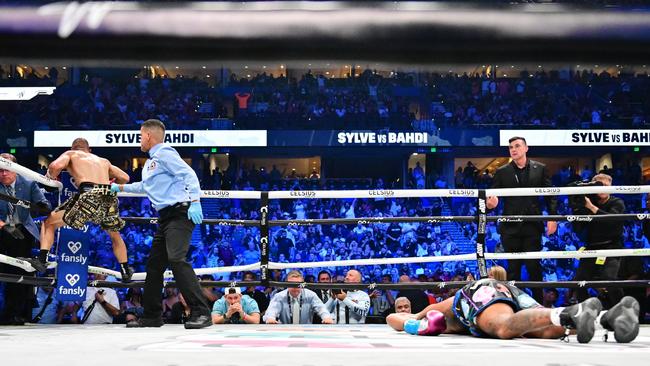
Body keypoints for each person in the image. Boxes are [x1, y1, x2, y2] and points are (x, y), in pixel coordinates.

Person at [112, 119, 211, 329]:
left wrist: (195, 201)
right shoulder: (151, 163)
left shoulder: (165, 152)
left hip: (180, 213)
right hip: (165, 217)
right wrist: (119, 189)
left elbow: (189, 174)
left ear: (148, 135)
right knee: (154, 266)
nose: (139, 140)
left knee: (176, 259)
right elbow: (146, 187)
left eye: (140, 136)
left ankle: (201, 312)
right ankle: (152, 316)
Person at [386, 278, 640, 344]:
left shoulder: (439, 307)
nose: (403, 308)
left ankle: (571, 312)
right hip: (508, 292)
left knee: (503, 327)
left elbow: (392, 318)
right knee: (543, 331)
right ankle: (607, 319)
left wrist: (412, 324)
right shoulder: (446, 315)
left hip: (480, 293)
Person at [23, 138, 133, 282]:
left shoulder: (72, 154)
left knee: (49, 223)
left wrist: (49, 177)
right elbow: (125, 177)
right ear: (89, 149)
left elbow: (55, 166)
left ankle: (42, 261)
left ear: (73, 147)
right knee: (114, 235)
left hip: (88, 194)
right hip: (108, 196)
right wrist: (110, 183)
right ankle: (125, 270)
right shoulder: (103, 161)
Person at [487, 136, 557, 303]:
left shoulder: (540, 168)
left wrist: (553, 218)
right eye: (511, 147)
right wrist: (491, 203)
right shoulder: (502, 171)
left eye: (517, 146)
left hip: (532, 224)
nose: (513, 149)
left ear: (526, 148)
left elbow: (550, 195)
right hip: (510, 226)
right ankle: (515, 305)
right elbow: (492, 196)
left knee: (534, 267)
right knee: (513, 269)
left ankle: (539, 305)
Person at [0, 153, 51, 325]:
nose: (3, 174)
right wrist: (4, 225)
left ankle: (16, 313)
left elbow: (43, 204)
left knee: (20, 271)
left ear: (15, 170)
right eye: (0, 170)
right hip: (1, 229)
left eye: (7, 170)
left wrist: (42, 206)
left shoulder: (28, 183)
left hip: (22, 231)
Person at [570, 174, 625, 308]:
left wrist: (591, 208)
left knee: (609, 279)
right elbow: (578, 228)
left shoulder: (617, 202)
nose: (603, 189)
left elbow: (612, 221)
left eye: (606, 186)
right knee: (578, 281)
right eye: (600, 186)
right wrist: (578, 209)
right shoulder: (587, 201)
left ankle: (621, 310)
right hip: (592, 246)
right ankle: (586, 312)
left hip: (612, 246)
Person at [263, 270, 333, 324]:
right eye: (291, 284)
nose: (295, 287)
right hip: (285, 331)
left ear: (302, 284)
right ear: (286, 283)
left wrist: (326, 317)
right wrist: (270, 318)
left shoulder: (311, 295)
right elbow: (272, 310)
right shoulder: (279, 296)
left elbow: (321, 308)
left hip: (307, 331)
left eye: (298, 284)